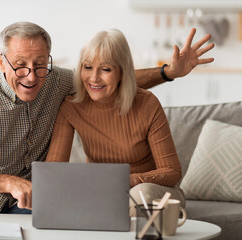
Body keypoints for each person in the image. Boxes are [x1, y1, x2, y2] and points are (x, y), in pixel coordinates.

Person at [0, 21, 214, 214]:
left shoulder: (58, 82)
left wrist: (168, 72)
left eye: (40, 64)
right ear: (1, 61)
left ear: (49, 60)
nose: (31, 76)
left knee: (51, 217)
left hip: (28, 203)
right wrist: (8, 183)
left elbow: (106, 80)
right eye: (20, 65)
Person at [45, 28, 195, 215]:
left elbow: (172, 171)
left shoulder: (147, 103)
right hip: (104, 194)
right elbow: (53, 170)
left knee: (141, 194)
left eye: (106, 69)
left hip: (156, 193)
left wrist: (129, 180)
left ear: (122, 72)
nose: (93, 78)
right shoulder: (71, 106)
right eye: (87, 67)